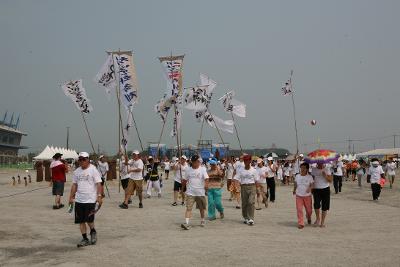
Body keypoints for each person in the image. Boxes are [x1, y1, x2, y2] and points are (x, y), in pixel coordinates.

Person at [68, 152, 102, 247]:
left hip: (90, 199)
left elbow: (99, 183)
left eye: (84, 159)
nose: (82, 161)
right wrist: (71, 197)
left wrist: (99, 196)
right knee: (81, 221)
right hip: (79, 200)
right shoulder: (77, 171)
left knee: (89, 220)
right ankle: (84, 238)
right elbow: (74, 185)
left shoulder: (93, 170)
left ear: (88, 159)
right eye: (80, 159)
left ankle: (93, 231)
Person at [181, 155, 209, 230]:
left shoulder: (203, 169)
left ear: (198, 162)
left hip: (200, 192)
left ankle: (202, 219)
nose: (194, 163)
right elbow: (185, 180)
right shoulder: (188, 170)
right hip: (190, 192)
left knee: (201, 208)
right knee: (188, 208)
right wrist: (182, 189)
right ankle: (186, 223)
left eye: (196, 162)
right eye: (193, 162)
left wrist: (206, 186)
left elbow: (206, 179)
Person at [235, 154, 260, 225]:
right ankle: (246, 217)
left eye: (248, 160)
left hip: (252, 187)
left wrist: (258, 189)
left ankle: (251, 218)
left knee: (251, 202)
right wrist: (237, 186)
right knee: (245, 203)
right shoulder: (240, 170)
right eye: (245, 161)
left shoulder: (254, 170)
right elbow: (236, 179)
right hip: (243, 187)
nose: (246, 162)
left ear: (250, 161)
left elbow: (257, 181)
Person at [311, 162, 333, 228]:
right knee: (316, 205)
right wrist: (311, 188)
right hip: (316, 189)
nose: (320, 164)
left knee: (325, 206)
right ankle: (318, 218)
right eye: (319, 162)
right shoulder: (314, 169)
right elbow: (312, 180)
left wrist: (325, 176)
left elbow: (330, 180)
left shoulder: (327, 169)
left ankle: (322, 222)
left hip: (325, 189)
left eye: (322, 163)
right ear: (317, 163)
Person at [293, 162, 314, 229]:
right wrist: (294, 190)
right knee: (299, 209)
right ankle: (301, 223)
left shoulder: (309, 177)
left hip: (307, 196)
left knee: (309, 210)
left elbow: (312, 184)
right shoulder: (297, 176)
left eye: (304, 168)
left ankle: (309, 217)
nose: (302, 169)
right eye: (301, 168)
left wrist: (310, 188)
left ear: (307, 169)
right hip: (299, 195)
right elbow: (295, 184)